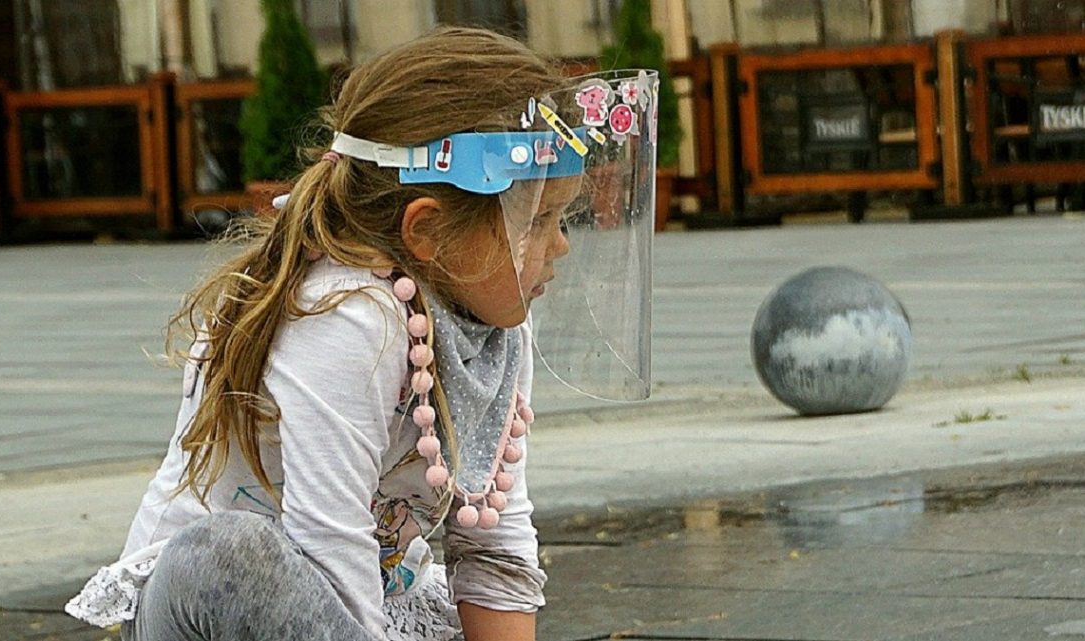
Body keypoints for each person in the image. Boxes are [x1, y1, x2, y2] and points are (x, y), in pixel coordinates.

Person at [65, 25, 657, 641]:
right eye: (536, 220)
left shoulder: (496, 322)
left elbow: (495, 539)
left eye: (561, 217)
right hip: (216, 611)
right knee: (230, 552)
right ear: (427, 232)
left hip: (363, 604)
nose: (560, 245)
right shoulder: (347, 318)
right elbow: (331, 544)